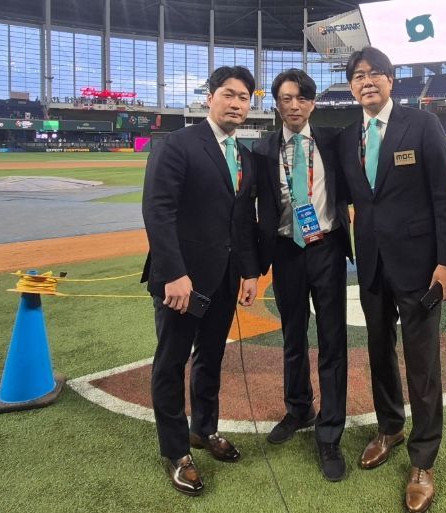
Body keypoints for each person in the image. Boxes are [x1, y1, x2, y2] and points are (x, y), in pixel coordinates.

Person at [337, 47, 446, 513]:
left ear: (391, 80)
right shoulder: (347, 136)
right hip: (371, 264)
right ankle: (390, 427)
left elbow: (445, 195)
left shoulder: (422, 124)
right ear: (351, 86)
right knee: (378, 352)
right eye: (358, 76)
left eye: (375, 74)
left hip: (420, 266)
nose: (366, 81)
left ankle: (423, 461)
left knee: (422, 363)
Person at [141, 66, 260, 497]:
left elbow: (242, 221)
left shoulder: (244, 156)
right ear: (209, 97)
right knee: (171, 363)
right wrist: (173, 274)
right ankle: (177, 452)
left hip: (224, 279)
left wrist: (250, 271)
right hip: (182, 283)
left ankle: (203, 429)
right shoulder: (178, 144)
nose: (236, 104)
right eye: (228, 94)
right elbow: (158, 210)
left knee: (211, 357)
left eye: (244, 97)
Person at [252, 69, 353, 481]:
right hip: (285, 251)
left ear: (312, 103)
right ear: (276, 103)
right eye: (285, 98)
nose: (294, 105)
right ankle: (299, 409)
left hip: (326, 248)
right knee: (293, 337)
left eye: (301, 98)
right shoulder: (262, 148)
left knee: (332, 341)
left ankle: (330, 433)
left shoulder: (334, 141)